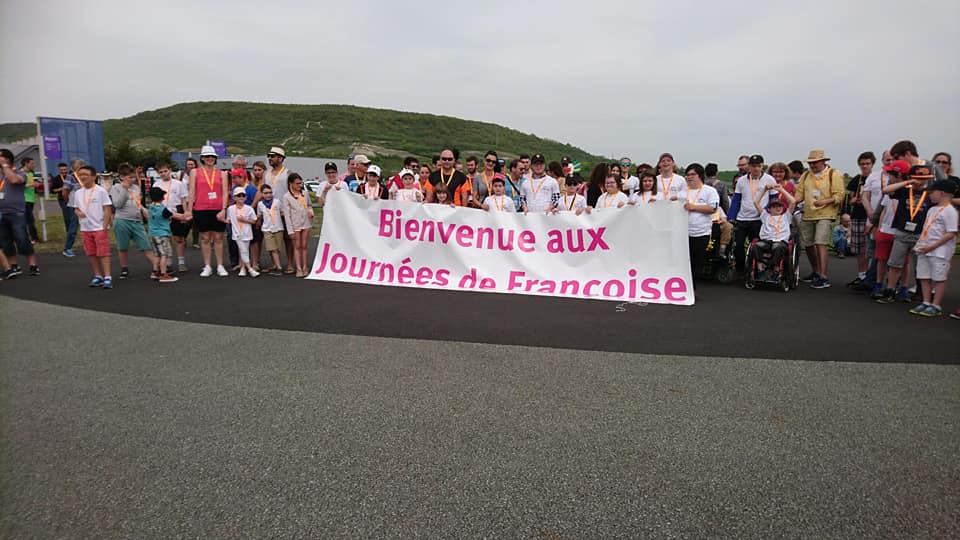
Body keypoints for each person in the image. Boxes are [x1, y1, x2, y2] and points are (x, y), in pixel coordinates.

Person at [876, 157, 937, 303]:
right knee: (895, 263)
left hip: (921, 234)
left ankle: (922, 293)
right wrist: (907, 182)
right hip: (902, 231)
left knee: (921, 265)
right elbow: (886, 190)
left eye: (923, 179)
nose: (919, 182)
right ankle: (890, 290)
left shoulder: (930, 194)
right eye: (916, 178)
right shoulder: (905, 191)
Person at [794, 149, 845, 289]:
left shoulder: (834, 174)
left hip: (825, 213)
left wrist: (825, 201)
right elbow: (799, 194)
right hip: (808, 213)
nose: (812, 165)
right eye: (810, 163)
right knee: (808, 244)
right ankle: (816, 271)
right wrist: (792, 201)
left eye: (815, 162)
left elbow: (839, 196)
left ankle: (823, 276)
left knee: (820, 242)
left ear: (823, 161)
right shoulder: (806, 176)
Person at [908, 180, 957, 317]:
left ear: (941, 193)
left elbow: (951, 233)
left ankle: (936, 305)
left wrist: (932, 246)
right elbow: (926, 229)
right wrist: (919, 243)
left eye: (931, 193)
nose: (929, 195)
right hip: (925, 249)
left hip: (939, 252)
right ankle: (926, 301)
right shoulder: (931, 209)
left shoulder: (950, 211)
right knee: (924, 276)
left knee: (939, 278)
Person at [110, 163, 158, 279]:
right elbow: (118, 204)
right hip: (122, 220)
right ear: (122, 177)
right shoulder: (116, 188)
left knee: (146, 245)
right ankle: (124, 268)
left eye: (133, 177)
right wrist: (125, 190)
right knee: (122, 246)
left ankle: (156, 266)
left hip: (136, 220)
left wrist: (143, 210)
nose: (132, 180)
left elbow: (138, 203)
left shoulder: (136, 188)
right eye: (129, 177)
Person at [731, 154, 777, 276]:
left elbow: (774, 199)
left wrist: (767, 213)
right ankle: (740, 268)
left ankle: (755, 268)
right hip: (742, 217)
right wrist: (731, 216)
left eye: (759, 166)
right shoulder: (741, 180)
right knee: (738, 245)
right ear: (749, 167)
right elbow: (736, 199)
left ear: (762, 166)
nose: (756, 169)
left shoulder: (769, 179)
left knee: (756, 245)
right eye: (753, 166)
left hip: (759, 218)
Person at [188, 145, 228, 277]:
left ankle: (220, 265)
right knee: (205, 238)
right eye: (207, 156)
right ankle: (207, 266)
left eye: (212, 156)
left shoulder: (222, 173)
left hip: (217, 209)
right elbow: (192, 191)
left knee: (218, 237)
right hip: (201, 208)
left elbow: (225, 193)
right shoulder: (195, 172)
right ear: (202, 158)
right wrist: (189, 210)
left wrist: (223, 209)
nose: (210, 159)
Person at [71, 165, 113, 288]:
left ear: (94, 177)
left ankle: (107, 277)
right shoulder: (78, 193)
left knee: (103, 253)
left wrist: (104, 226)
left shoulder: (100, 191)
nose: (83, 177)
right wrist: (79, 213)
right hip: (85, 228)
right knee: (91, 253)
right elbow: (76, 209)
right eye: (81, 175)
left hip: (99, 227)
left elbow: (107, 208)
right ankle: (97, 275)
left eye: (86, 174)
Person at [0, 149, 39, 277]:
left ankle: (33, 265)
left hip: (16, 212)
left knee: (22, 238)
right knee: (6, 241)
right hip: (2, 212)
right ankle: (13, 265)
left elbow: (14, 180)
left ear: (7, 159)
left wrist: (5, 166)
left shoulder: (20, 173)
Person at [679, 163, 720, 285]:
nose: (689, 177)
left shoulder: (710, 191)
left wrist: (694, 207)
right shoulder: (682, 192)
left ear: (700, 175)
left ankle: (693, 287)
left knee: (696, 261)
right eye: (687, 175)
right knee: (683, 261)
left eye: (692, 174)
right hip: (683, 232)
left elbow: (713, 208)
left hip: (700, 232)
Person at [844, 152, 875, 284]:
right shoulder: (856, 180)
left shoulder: (876, 179)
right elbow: (849, 199)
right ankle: (862, 275)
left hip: (872, 216)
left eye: (867, 163)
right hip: (857, 215)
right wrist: (854, 200)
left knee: (871, 248)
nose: (865, 166)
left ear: (872, 164)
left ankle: (871, 276)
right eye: (862, 164)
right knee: (860, 248)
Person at [153, 160, 190, 272]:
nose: (164, 173)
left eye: (165, 171)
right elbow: (154, 201)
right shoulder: (156, 184)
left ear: (170, 170)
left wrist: (185, 213)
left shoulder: (179, 184)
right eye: (161, 172)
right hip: (162, 214)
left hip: (176, 212)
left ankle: (181, 261)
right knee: (165, 239)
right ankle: (168, 262)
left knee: (179, 238)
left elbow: (183, 199)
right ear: (158, 173)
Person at [751, 183, 796, 271]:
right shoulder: (765, 216)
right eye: (774, 206)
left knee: (777, 247)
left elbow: (793, 202)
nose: (778, 208)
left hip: (780, 241)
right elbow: (756, 202)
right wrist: (764, 189)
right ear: (769, 209)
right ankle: (760, 268)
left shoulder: (786, 216)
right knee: (757, 246)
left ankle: (776, 269)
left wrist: (781, 190)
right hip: (766, 241)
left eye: (780, 206)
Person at [146, 187, 183, 283]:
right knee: (164, 254)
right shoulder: (162, 209)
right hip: (162, 234)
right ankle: (163, 274)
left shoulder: (151, 207)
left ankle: (155, 272)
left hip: (152, 234)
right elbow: (174, 216)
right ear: (162, 197)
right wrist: (186, 216)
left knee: (157, 254)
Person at [282, 173, 314, 277]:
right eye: (297, 183)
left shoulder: (305, 193)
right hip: (295, 224)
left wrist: (310, 211)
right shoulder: (286, 197)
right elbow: (287, 215)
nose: (299, 185)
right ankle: (298, 268)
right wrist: (290, 230)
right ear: (291, 183)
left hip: (306, 223)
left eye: (300, 183)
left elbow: (309, 205)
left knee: (304, 246)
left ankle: (305, 266)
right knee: (297, 246)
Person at [224, 186, 259, 277]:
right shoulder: (231, 209)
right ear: (234, 197)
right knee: (243, 250)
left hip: (247, 233)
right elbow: (229, 220)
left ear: (246, 197)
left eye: (243, 196)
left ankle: (243, 268)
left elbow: (254, 221)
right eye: (238, 196)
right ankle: (250, 269)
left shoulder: (249, 208)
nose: (241, 198)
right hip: (237, 233)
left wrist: (245, 220)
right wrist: (221, 220)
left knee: (244, 250)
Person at [52, 160, 81, 256]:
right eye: (81, 166)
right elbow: (64, 191)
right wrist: (68, 201)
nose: (83, 167)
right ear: (75, 167)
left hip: (85, 205)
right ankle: (67, 248)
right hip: (73, 205)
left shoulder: (83, 177)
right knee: (73, 226)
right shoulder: (71, 177)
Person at [256, 184, 285, 276]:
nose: (268, 195)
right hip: (267, 228)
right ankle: (279, 267)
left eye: (270, 193)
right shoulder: (260, 204)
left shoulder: (277, 202)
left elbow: (282, 212)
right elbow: (259, 216)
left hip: (278, 227)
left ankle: (275, 264)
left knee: (278, 249)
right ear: (262, 194)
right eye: (266, 193)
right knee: (273, 249)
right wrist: (257, 224)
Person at [18, 157, 39, 244]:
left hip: (31, 199)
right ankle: (33, 238)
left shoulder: (31, 173)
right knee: (29, 219)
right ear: (26, 164)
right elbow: (18, 186)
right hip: (23, 199)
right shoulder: (20, 173)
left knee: (28, 219)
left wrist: (37, 185)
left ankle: (29, 238)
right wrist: (31, 184)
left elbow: (34, 184)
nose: (34, 165)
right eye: (32, 163)